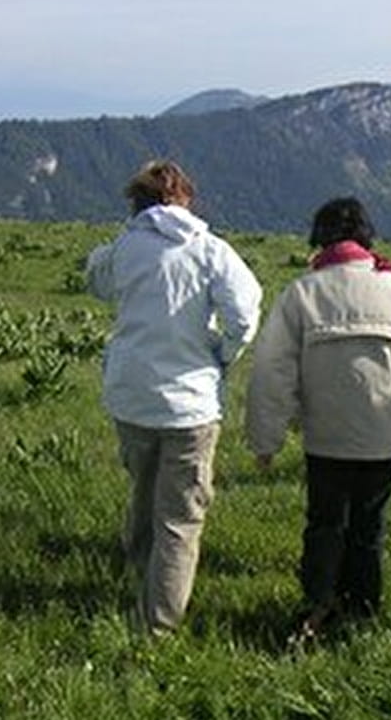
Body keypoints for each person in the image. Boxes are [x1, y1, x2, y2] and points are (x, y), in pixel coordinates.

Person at [248, 197, 391, 639]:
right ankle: (362, 610)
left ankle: (318, 602)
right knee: (368, 529)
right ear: (366, 238)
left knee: (324, 524)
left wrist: (267, 440)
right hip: (381, 439)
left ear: (320, 240)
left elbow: (271, 372)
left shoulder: (301, 293)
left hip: (325, 440)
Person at [86, 160, 263, 635]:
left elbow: (95, 279)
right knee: (180, 518)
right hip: (190, 402)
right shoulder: (210, 251)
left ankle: (136, 575)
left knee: (143, 492)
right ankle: (157, 625)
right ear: (187, 198)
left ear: (136, 203)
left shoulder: (124, 247)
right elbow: (245, 312)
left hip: (131, 395)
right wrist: (222, 354)